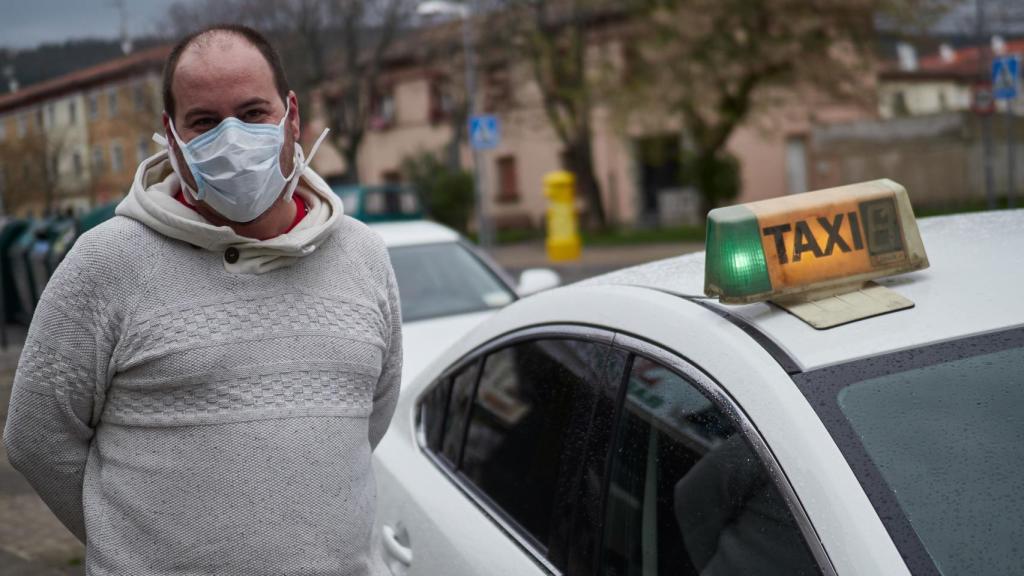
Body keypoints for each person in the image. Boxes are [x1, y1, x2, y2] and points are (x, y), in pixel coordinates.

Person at [3, 24, 402, 575]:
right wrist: (135, 550)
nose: (232, 138)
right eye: (205, 122)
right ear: (171, 135)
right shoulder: (106, 263)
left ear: (292, 116)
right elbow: (37, 439)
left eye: (253, 113)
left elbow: (367, 421)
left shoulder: (364, 256)